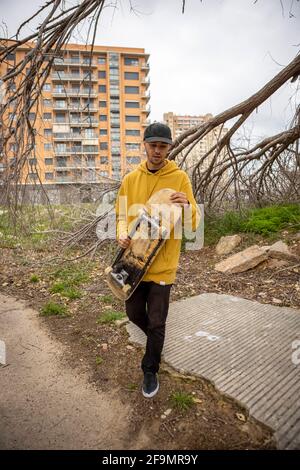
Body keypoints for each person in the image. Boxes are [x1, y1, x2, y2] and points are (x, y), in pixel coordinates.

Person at [115, 122, 200, 398]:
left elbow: (193, 226)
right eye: (153, 145)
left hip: (163, 265)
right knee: (133, 314)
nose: (157, 151)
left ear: (169, 148)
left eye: (162, 146)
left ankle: (150, 369)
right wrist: (121, 234)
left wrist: (187, 206)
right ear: (145, 145)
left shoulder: (180, 179)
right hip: (134, 263)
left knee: (157, 321)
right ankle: (156, 338)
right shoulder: (130, 180)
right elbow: (120, 216)